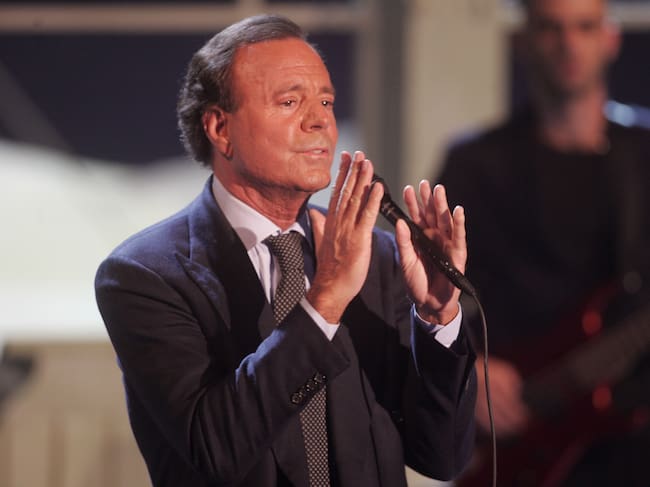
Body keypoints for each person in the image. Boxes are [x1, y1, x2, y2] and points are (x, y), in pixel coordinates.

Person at [95, 14, 477, 487]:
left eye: (326, 101)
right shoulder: (144, 275)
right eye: (290, 101)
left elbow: (442, 458)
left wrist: (437, 318)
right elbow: (215, 449)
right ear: (220, 128)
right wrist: (325, 299)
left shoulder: (380, 258)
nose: (320, 120)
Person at [438, 0, 650, 485]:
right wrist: (466, 369)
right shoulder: (477, 163)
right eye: (552, 28)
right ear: (522, 41)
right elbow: (422, 292)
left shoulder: (642, 157)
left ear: (611, 38)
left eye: (585, 27)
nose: (569, 44)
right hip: (518, 429)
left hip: (632, 433)